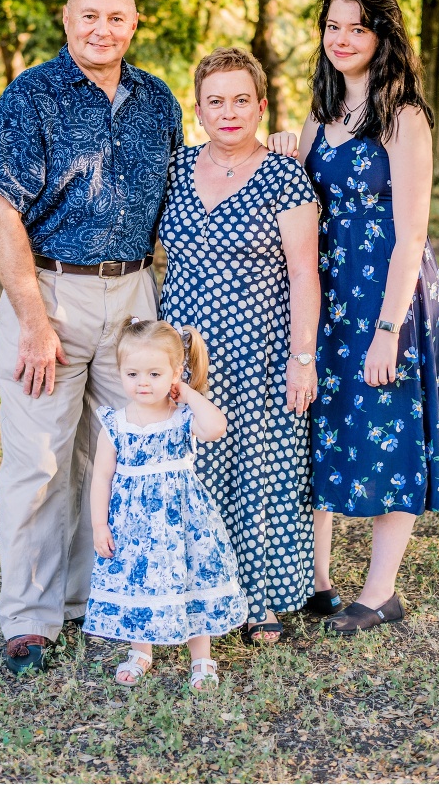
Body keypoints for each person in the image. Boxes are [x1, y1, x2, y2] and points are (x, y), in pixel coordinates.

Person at [0, 0, 183, 673]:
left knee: (121, 455)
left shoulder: (158, 101)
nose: (102, 29)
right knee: (40, 462)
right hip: (53, 295)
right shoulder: (31, 94)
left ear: (134, 24)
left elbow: (190, 188)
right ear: (67, 20)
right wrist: (34, 319)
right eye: (89, 15)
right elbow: (0, 209)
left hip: (133, 298)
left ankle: (101, 598)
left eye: (117, 17)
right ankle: (31, 617)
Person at [269, 0, 439, 635]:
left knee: (385, 426)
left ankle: (380, 593)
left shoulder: (403, 116)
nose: (342, 40)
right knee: (319, 423)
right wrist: (286, 150)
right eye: (332, 27)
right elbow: (304, 198)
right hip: (328, 291)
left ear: (382, 37)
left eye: (357, 28)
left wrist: (387, 330)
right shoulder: (320, 113)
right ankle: (316, 582)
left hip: (387, 294)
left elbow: (412, 235)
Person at [158, 47, 323, 643]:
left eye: (240, 100)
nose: (228, 112)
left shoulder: (284, 174)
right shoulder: (174, 167)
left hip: (261, 344)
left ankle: (262, 598)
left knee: (263, 467)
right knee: (191, 466)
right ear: (198, 109)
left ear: (261, 105)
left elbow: (306, 272)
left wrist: (301, 359)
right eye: (215, 101)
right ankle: (192, 590)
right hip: (184, 347)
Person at [84, 317, 247, 689]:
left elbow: (216, 428)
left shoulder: (183, 416)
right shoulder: (116, 423)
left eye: (155, 374)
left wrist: (187, 393)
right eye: (133, 373)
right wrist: (99, 525)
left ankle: (201, 656)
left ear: (176, 373)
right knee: (138, 583)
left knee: (190, 579)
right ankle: (141, 650)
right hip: (133, 527)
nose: (143, 383)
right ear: (120, 373)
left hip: (183, 524)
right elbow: (102, 477)